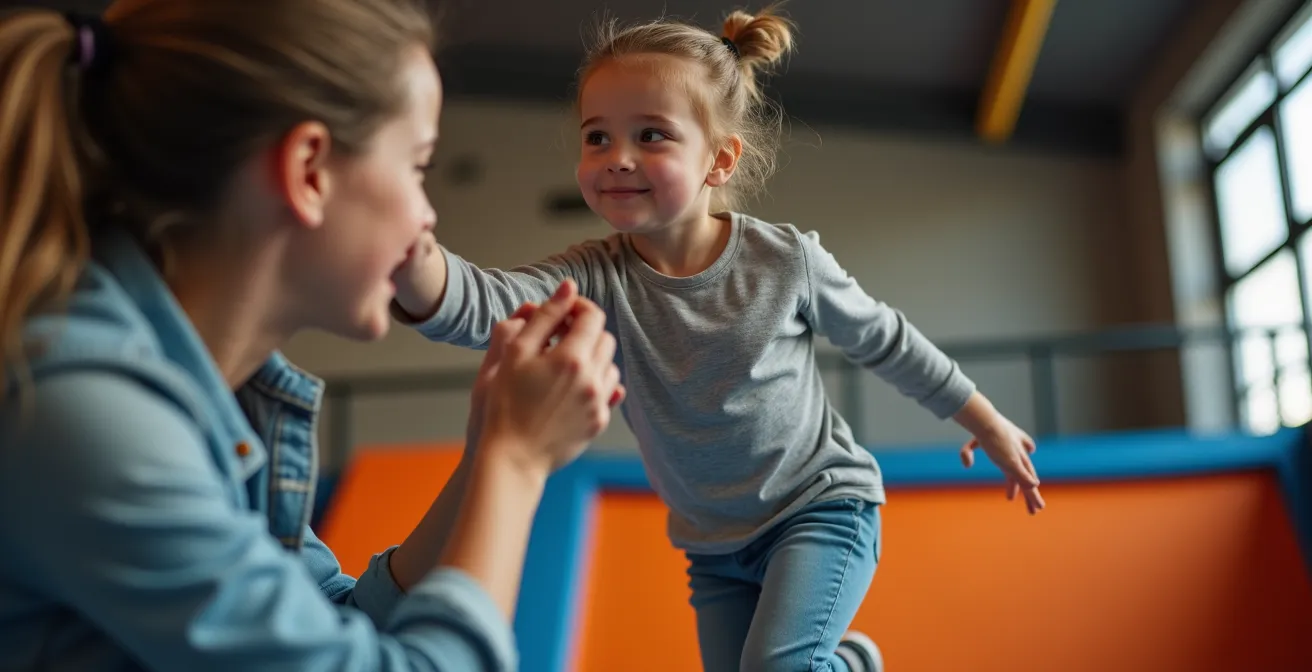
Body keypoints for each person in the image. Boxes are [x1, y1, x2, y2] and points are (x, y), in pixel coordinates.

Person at [390, 6, 1047, 672]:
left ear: (720, 160)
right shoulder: (594, 278)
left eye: (651, 135)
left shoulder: (783, 261)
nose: (617, 159)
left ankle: (846, 665)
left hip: (819, 509)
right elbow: (485, 303)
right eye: (597, 138)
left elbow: (886, 340)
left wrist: (985, 419)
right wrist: (406, 252)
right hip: (714, 549)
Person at [0, 2, 624, 671]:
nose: (427, 215)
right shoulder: (81, 414)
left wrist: (484, 450)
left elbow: (329, 624)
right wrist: (516, 461)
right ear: (309, 172)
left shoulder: (222, 392)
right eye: (418, 167)